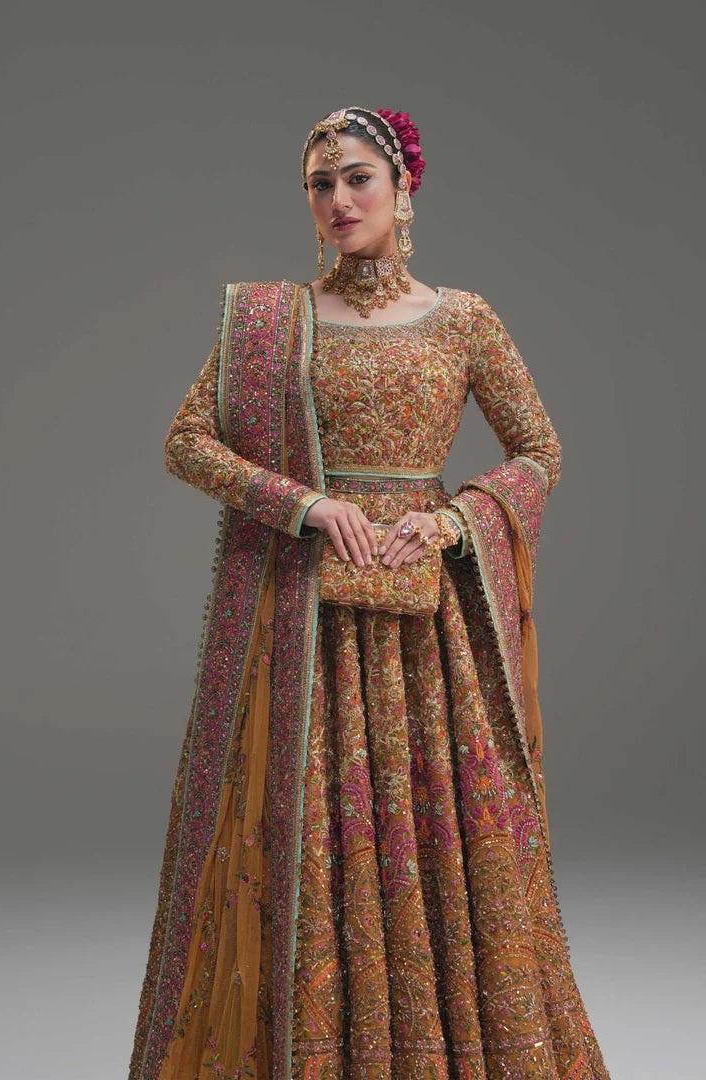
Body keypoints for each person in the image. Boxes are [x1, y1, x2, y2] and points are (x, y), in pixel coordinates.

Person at [128, 106, 611, 1080]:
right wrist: (303, 503)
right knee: (308, 842)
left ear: (403, 188)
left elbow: (539, 452)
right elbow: (187, 442)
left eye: (357, 178)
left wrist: (451, 521)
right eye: (321, 183)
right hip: (302, 623)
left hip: (428, 631)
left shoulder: (463, 318)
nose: (339, 200)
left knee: (445, 847)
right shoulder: (274, 322)